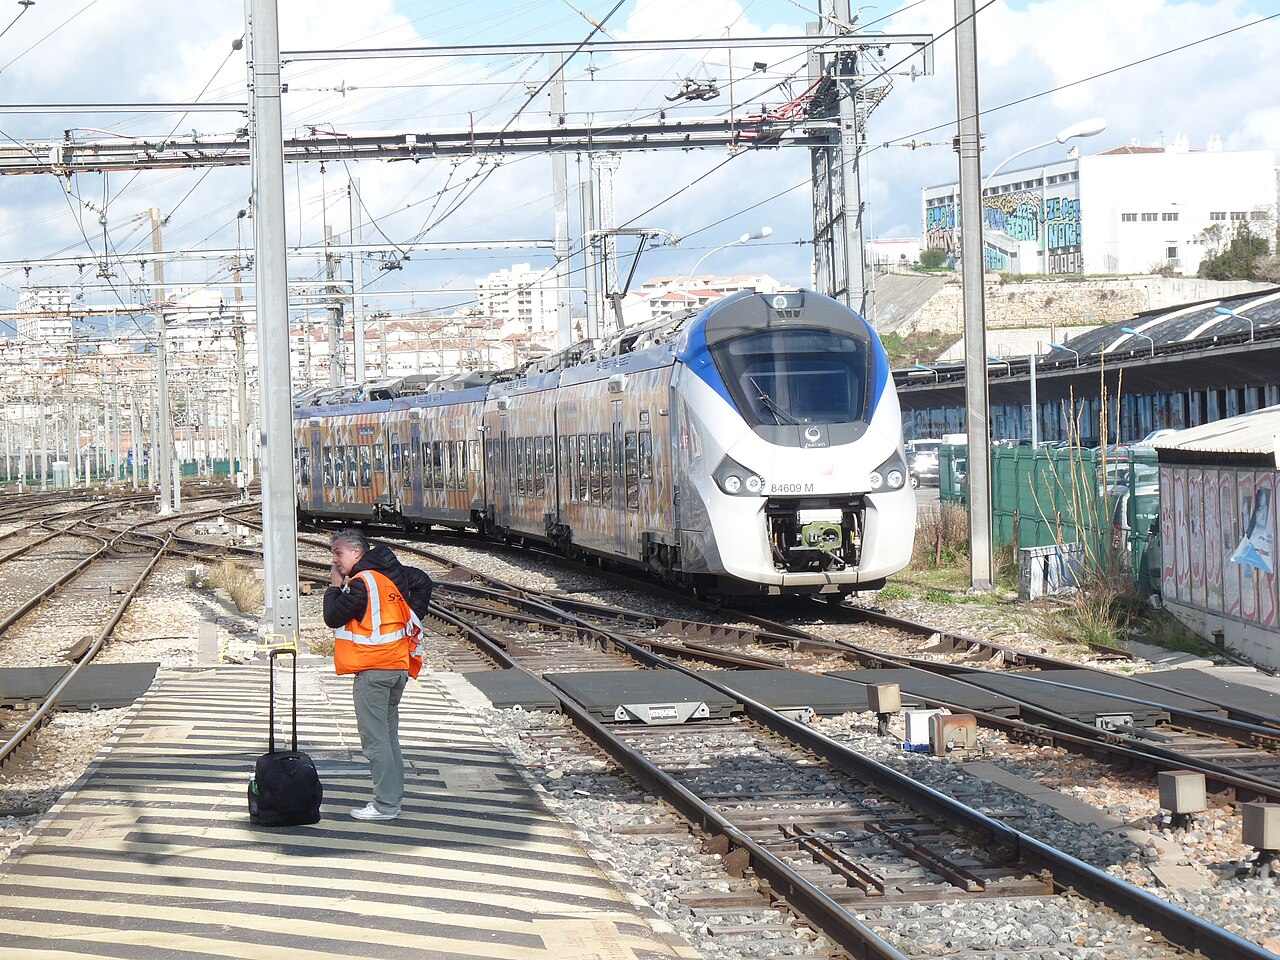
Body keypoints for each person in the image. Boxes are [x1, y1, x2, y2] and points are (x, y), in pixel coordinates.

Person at [323, 529, 433, 821]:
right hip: (398, 667)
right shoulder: (387, 575)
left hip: (373, 671)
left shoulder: (362, 583)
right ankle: (392, 800)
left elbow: (332, 617)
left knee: (375, 741)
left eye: (338, 553)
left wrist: (335, 586)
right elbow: (424, 581)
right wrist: (414, 615)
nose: (334, 561)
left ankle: (385, 805)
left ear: (357, 553)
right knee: (388, 738)